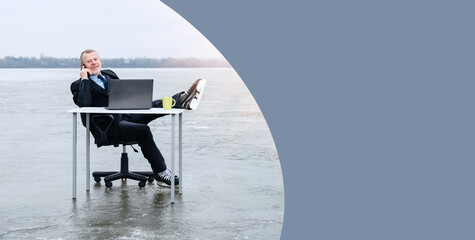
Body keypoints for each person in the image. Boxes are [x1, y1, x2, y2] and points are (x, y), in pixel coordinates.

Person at [70, 49, 207, 186]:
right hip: (108, 127)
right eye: (89, 61)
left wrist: (135, 101)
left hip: (125, 115)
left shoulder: (109, 74)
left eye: (95, 59)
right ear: (83, 66)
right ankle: (161, 172)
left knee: (152, 105)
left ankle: (182, 100)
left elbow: (122, 95)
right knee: (143, 130)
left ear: (100, 61)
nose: (93, 63)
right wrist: (85, 79)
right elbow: (84, 103)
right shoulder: (78, 85)